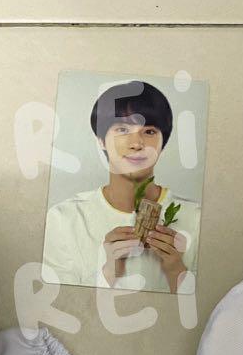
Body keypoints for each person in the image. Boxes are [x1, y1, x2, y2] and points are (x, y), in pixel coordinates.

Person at [42, 80, 200, 293]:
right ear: (101, 140)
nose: (136, 144)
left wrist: (176, 271)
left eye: (149, 132)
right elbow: (58, 302)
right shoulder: (65, 219)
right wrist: (108, 272)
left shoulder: (196, 219)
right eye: (123, 129)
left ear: (163, 143)